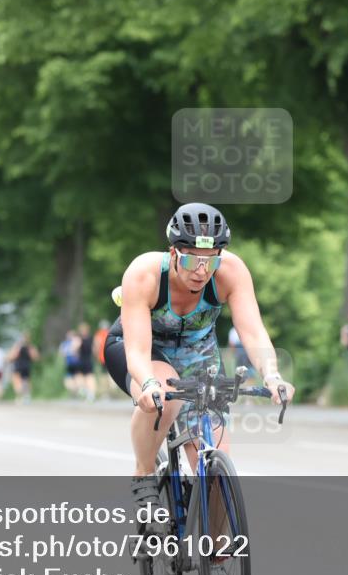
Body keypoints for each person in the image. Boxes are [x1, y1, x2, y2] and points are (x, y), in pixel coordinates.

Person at [103, 202, 295, 506]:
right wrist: (148, 383)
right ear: (173, 254)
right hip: (142, 346)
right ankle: (144, 475)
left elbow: (253, 332)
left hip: (197, 352)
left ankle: (210, 539)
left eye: (211, 262)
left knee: (216, 481)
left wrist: (272, 374)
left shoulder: (231, 272)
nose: (202, 271)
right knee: (167, 396)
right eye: (192, 261)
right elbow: (138, 350)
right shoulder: (145, 274)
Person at [7, 334, 39, 403]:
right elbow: (35, 357)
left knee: (17, 382)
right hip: (27, 366)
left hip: (18, 366)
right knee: (26, 381)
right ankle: (27, 396)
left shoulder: (17, 347)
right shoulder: (30, 347)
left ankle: (19, 397)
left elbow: (11, 357)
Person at [74, 322, 96, 401]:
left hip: (82, 360)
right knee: (89, 377)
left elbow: (75, 349)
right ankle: (90, 394)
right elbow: (94, 350)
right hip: (88, 359)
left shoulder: (79, 339)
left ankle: (84, 390)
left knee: (80, 376)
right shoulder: (91, 338)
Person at [58, 331, 80, 396]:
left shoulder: (66, 343)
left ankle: (75, 391)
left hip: (72, 362)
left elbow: (61, 353)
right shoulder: (74, 341)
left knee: (72, 378)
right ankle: (75, 391)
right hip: (71, 362)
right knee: (72, 378)